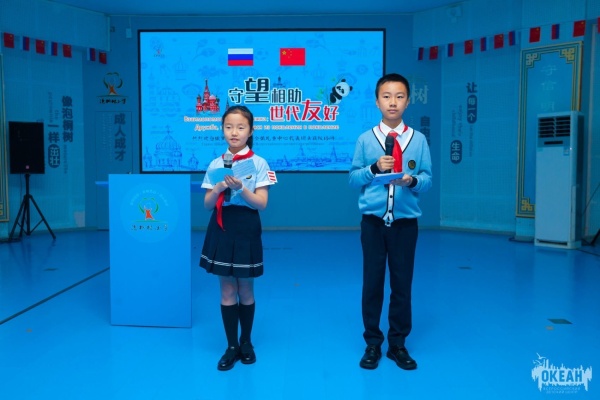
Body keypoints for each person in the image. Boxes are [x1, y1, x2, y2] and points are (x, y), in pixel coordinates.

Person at [349, 73, 432, 371]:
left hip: (405, 225)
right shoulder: (365, 139)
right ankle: (373, 343)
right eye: (386, 96)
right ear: (377, 102)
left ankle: (397, 344)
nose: (392, 102)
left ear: (408, 101)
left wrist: (411, 180)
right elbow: (353, 178)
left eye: (399, 96)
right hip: (372, 224)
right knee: (372, 283)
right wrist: (372, 168)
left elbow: (427, 180)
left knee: (402, 283)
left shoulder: (418, 140)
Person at [199, 105, 276, 371]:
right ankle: (231, 346)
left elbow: (262, 204)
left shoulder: (260, 163)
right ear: (222, 129)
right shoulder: (215, 164)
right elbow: (207, 204)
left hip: (246, 227)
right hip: (221, 227)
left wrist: (241, 188)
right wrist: (219, 187)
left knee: (245, 288)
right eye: (229, 127)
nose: (234, 132)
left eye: (241, 127)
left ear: (251, 131)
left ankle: (246, 342)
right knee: (227, 289)